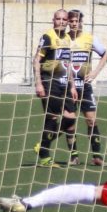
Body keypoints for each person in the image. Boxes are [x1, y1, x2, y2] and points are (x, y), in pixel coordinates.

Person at [62, 9, 107, 167]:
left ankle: (97, 157)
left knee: (91, 121)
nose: (74, 24)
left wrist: (95, 72)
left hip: (85, 87)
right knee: (70, 122)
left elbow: (105, 54)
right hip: (68, 88)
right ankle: (74, 156)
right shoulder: (63, 39)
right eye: (72, 21)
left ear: (81, 22)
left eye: (77, 21)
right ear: (68, 22)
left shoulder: (90, 39)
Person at [31, 9, 77, 168]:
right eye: (59, 19)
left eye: (65, 19)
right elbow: (37, 60)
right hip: (49, 81)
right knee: (52, 118)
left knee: (70, 118)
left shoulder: (67, 39)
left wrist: (72, 86)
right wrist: (38, 83)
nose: (62, 22)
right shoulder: (48, 37)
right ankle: (44, 157)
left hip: (64, 84)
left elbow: (68, 63)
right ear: (53, 20)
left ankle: (42, 146)